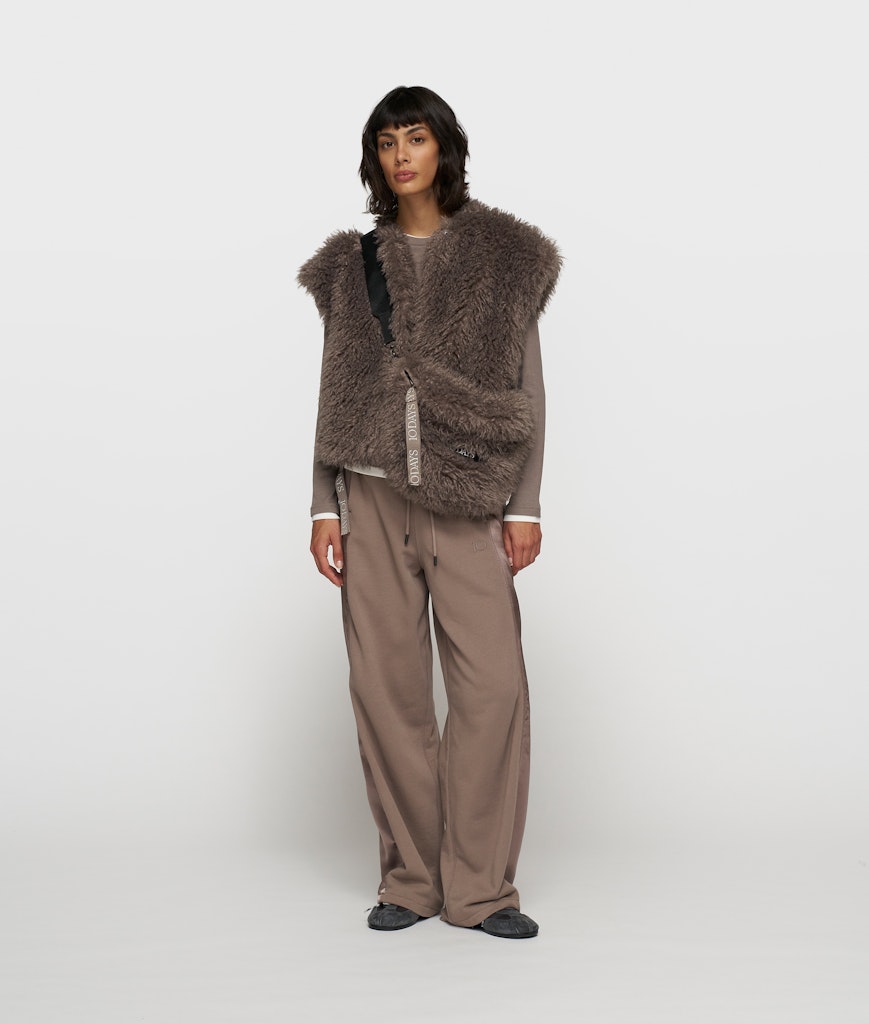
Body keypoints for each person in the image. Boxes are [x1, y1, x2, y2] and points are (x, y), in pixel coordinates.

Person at [297, 85, 560, 939]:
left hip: (466, 495)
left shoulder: (504, 257)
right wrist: (322, 505)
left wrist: (524, 507)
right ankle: (411, 880)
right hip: (369, 496)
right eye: (385, 142)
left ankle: (479, 890)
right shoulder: (351, 266)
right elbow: (336, 387)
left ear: (444, 148)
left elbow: (527, 387)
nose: (400, 155)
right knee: (388, 692)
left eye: (414, 138)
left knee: (492, 688)